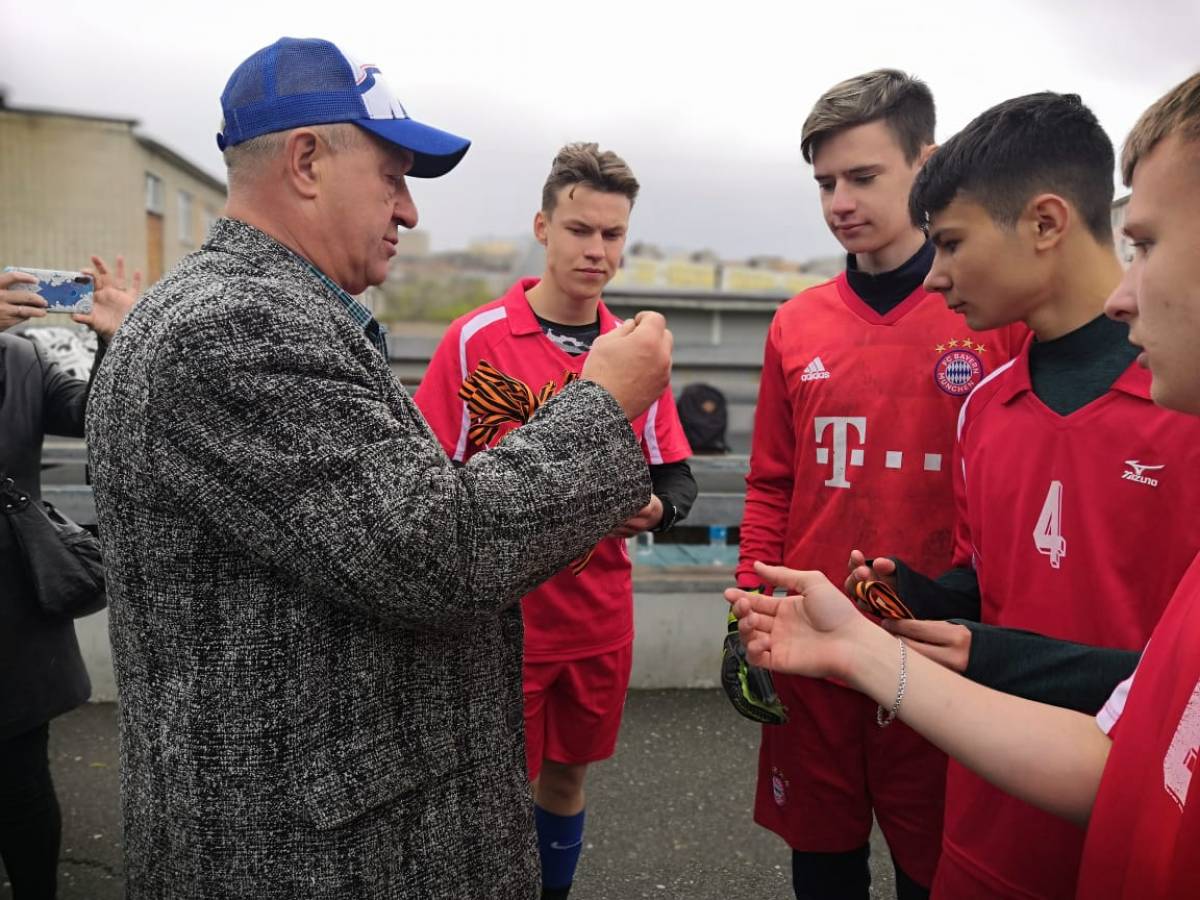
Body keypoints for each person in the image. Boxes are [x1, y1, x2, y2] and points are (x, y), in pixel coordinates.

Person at [85, 38, 674, 900]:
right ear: (307, 160)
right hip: (315, 858)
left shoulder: (262, 310)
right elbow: (439, 550)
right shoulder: (238, 327)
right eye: (393, 176)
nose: (407, 211)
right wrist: (600, 406)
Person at [727, 70, 1200, 900]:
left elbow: (1160, 695)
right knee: (826, 860)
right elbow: (983, 583)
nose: (937, 279)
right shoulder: (983, 401)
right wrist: (913, 601)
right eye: (824, 182)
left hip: (1102, 802)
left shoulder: (1158, 392)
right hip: (959, 768)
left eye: (1148, 244)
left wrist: (980, 650)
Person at [731, 68, 1021, 900]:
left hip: (932, 646)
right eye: (825, 182)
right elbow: (772, 482)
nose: (839, 202)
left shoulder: (985, 315)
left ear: (924, 166)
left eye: (862, 177)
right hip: (811, 643)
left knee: (933, 870)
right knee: (822, 863)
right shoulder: (797, 322)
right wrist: (750, 601)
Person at [414, 142, 696, 900]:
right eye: (579, 229)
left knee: (567, 780)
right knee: (496, 794)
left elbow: (677, 474)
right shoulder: (476, 340)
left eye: (611, 234)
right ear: (543, 227)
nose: (595, 249)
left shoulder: (636, 350)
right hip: (503, 625)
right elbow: (426, 478)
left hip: (600, 618)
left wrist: (659, 507)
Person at [0, 256, 136, 899]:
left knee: (23, 776)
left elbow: (95, 418)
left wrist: (113, 339)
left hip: (11, 600)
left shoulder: (21, 358)